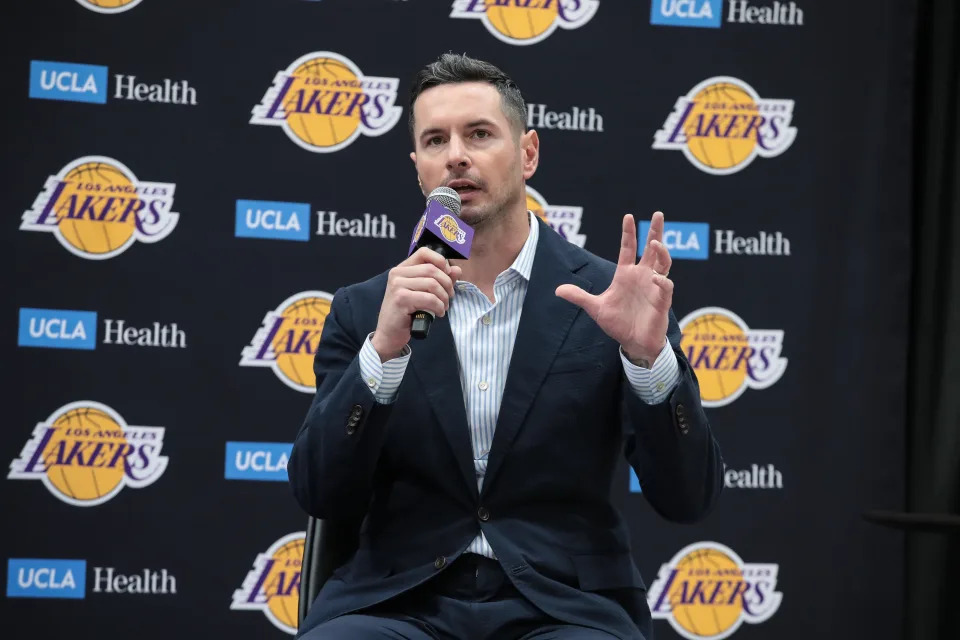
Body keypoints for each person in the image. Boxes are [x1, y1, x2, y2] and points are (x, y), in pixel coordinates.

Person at [289, 52, 723, 640]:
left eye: (479, 134)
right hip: (399, 605)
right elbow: (319, 491)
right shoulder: (368, 310)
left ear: (528, 153)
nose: (457, 155)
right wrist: (381, 356)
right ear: (418, 167)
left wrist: (650, 364)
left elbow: (687, 498)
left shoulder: (610, 300)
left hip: (562, 607)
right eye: (436, 140)